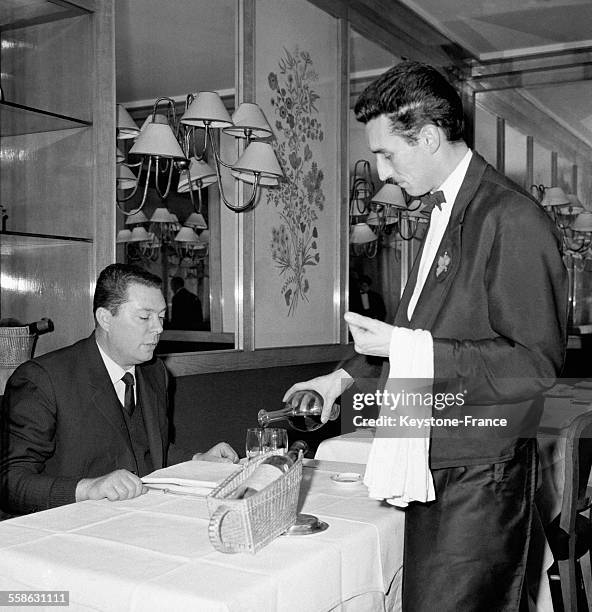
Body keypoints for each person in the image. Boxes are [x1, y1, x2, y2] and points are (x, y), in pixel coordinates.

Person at [285, 61, 568, 611]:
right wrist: (338, 379)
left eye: (388, 154)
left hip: (480, 471)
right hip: (433, 456)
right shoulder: (442, 213)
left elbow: (534, 365)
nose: (383, 172)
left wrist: (409, 349)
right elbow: (410, 333)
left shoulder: (510, 217)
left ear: (432, 137)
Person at [0, 264, 237, 517]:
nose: (158, 329)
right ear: (105, 319)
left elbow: (148, 450)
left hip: (139, 521)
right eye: (145, 317)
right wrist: (88, 488)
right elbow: (8, 481)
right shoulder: (42, 380)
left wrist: (196, 461)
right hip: (67, 530)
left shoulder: (155, 372)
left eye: (161, 317)